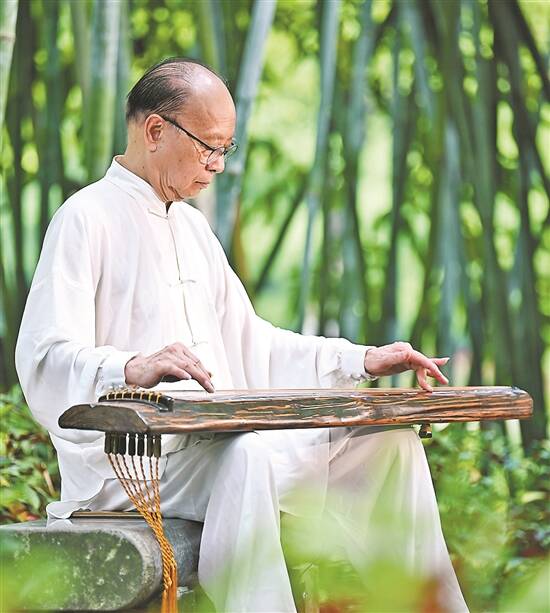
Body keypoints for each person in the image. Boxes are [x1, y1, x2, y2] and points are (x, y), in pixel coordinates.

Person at [16, 58, 468, 612]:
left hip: (212, 450)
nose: (218, 165)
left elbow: (256, 345)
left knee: (387, 445)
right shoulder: (85, 217)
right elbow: (43, 356)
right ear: (155, 130)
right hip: (130, 466)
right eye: (209, 147)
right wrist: (130, 367)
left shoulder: (193, 227)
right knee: (247, 453)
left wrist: (364, 360)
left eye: (225, 148)